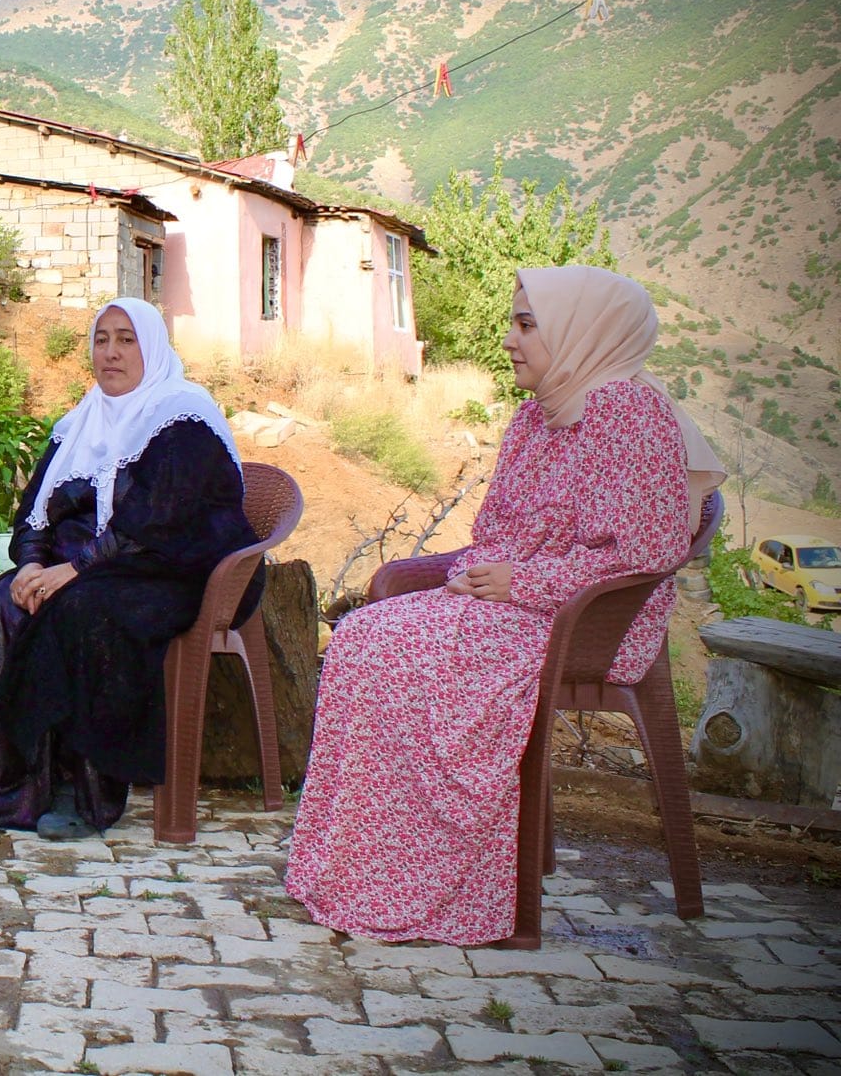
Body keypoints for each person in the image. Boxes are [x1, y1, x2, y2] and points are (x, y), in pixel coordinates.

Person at [285, 266, 726, 945]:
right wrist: (475, 573)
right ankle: (356, 871)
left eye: (528, 324)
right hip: (521, 609)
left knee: (392, 647)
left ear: (583, 333)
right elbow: (498, 535)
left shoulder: (629, 415)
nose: (510, 338)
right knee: (360, 637)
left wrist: (520, 583)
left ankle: (439, 888)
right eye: (513, 322)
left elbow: (642, 556)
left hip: (595, 622)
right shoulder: (536, 415)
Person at [0, 297, 261, 839]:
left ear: (153, 347)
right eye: (101, 339)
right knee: (6, 597)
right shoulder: (79, 423)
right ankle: (15, 780)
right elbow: (34, 512)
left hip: (177, 573)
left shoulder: (183, 413)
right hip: (94, 570)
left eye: (126, 339)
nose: (111, 353)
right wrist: (30, 565)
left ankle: (86, 788)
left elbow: (160, 522)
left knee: (85, 609)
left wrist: (75, 571)